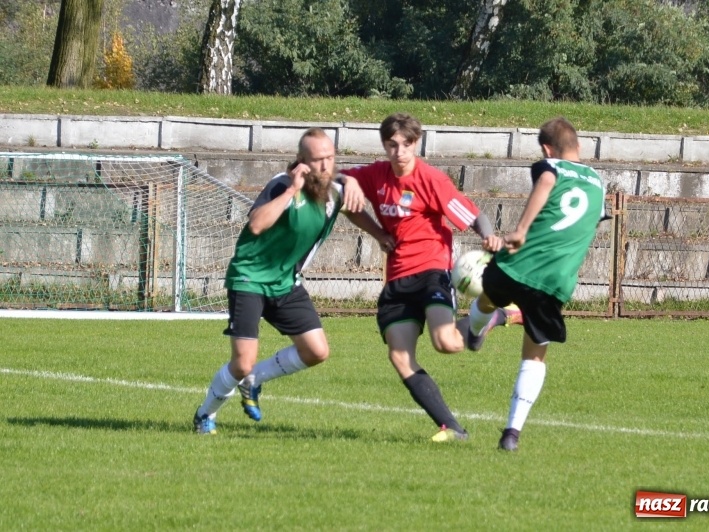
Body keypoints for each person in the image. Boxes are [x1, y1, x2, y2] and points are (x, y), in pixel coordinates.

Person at [340, 112, 513, 442]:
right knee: (400, 357)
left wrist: (489, 237)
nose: (399, 152)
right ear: (384, 145)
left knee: (445, 343)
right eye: (392, 145)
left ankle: (491, 317)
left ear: (416, 144)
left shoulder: (431, 180)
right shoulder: (375, 175)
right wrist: (367, 214)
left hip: (432, 271)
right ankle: (453, 429)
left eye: (406, 145)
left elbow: (476, 216)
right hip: (396, 279)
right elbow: (338, 189)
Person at [192, 127, 372, 435]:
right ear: (302, 160)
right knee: (242, 362)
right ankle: (205, 414)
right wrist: (291, 191)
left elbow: (352, 208)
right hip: (250, 279)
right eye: (318, 159)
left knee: (317, 351)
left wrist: (381, 235)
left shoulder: (335, 189)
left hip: (286, 283)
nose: (326, 165)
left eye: (331, 157)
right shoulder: (281, 185)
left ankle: (254, 381)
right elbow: (257, 223)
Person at [464, 116, 606, 451]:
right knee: (534, 355)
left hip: (518, 264)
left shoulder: (549, 165)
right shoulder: (598, 182)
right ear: (579, 146)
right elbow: (589, 224)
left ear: (546, 148)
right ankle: (512, 433)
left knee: (486, 297)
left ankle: (475, 329)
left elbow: (545, 180)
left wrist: (523, 229)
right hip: (556, 278)